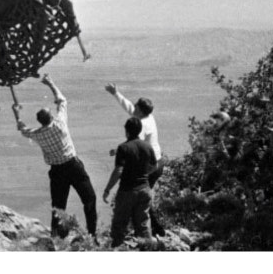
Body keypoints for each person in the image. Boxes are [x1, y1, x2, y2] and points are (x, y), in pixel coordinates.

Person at [15, 73, 97, 239]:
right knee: (89, 198)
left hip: (57, 171)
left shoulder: (38, 134)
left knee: (58, 206)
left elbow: (23, 129)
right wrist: (50, 83)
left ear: (40, 121)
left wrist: (17, 113)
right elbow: (62, 100)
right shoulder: (60, 124)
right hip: (73, 166)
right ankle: (92, 234)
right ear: (51, 117)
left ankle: (55, 237)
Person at [104, 83, 164, 234]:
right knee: (143, 196)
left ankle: (153, 230)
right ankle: (150, 230)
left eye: (136, 106)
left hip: (151, 166)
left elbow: (135, 144)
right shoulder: (148, 117)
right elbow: (130, 108)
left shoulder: (142, 125)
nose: (134, 107)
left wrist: (118, 150)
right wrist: (116, 93)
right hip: (156, 161)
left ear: (140, 110)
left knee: (140, 195)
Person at [104, 115, 160, 246]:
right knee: (143, 225)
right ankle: (147, 250)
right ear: (140, 130)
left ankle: (117, 249)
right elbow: (155, 166)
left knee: (119, 226)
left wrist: (107, 189)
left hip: (127, 191)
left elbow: (118, 171)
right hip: (145, 189)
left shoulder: (123, 148)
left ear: (126, 131)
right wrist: (143, 174)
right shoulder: (147, 146)